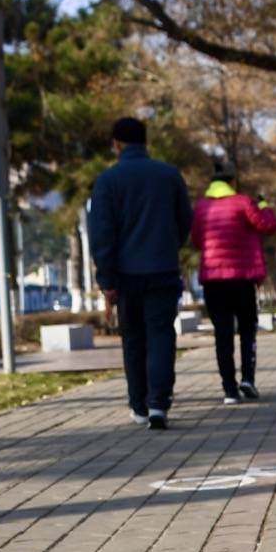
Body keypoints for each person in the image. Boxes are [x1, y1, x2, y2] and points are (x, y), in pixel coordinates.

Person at [86, 116, 193, 429]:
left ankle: (139, 404)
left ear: (116, 144)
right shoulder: (169, 175)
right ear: (145, 142)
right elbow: (185, 219)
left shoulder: (108, 180)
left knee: (133, 338)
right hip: (162, 267)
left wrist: (106, 279)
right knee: (161, 333)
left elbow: (101, 233)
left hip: (126, 273)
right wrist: (170, 246)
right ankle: (159, 403)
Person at [191, 154, 276, 402]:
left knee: (223, 333)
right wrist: (265, 207)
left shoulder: (201, 207)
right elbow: (266, 226)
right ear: (233, 180)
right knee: (247, 328)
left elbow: (197, 240)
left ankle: (229, 389)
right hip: (241, 279)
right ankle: (247, 379)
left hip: (213, 280)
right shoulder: (243, 202)